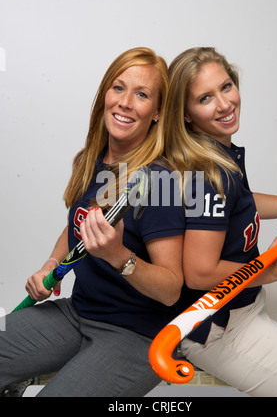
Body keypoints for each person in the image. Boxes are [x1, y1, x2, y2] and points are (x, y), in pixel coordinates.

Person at [0, 47, 197, 397]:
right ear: (105, 93)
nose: (124, 102)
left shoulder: (159, 182)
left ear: (157, 113)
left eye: (142, 95)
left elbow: (171, 290)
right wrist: (50, 264)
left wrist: (118, 256)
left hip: (137, 335)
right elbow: (76, 225)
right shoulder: (92, 159)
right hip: (78, 313)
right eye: (118, 88)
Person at [163, 47, 277, 396]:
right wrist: (269, 271)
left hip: (249, 299)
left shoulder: (215, 149)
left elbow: (243, 205)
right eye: (205, 98)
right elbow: (199, 272)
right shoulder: (209, 174)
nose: (224, 104)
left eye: (226, 87)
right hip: (219, 328)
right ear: (187, 114)